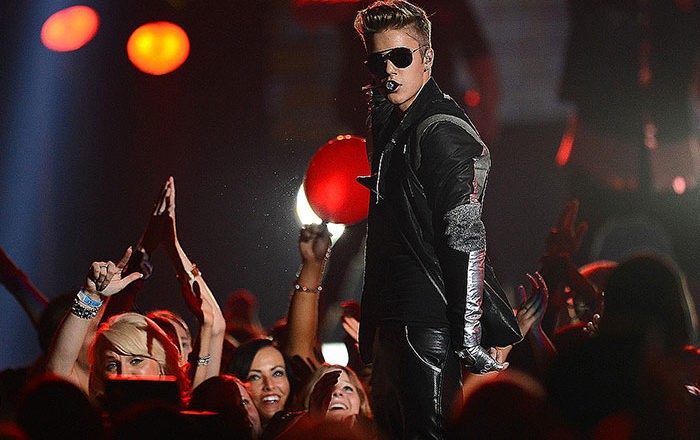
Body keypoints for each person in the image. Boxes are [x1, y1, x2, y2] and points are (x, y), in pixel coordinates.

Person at [352, 2, 520, 438]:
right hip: (396, 320)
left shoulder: (441, 130)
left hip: (428, 323)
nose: (388, 69)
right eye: (377, 60)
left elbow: (465, 234)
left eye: (400, 56)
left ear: (427, 58)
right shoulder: (396, 125)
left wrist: (469, 334)